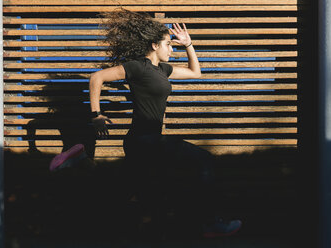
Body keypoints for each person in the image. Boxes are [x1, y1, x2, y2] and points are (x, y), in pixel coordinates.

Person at [87, 9, 242, 238]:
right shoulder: (137, 66)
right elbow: (96, 77)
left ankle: (80, 164)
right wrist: (96, 115)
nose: (172, 48)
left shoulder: (163, 70)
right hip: (144, 140)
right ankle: (211, 223)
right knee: (203, 161)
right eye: (168, 44)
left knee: (134, 190)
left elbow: (195, 72)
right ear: (153, 45)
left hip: (146, 141)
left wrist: (188, 44)